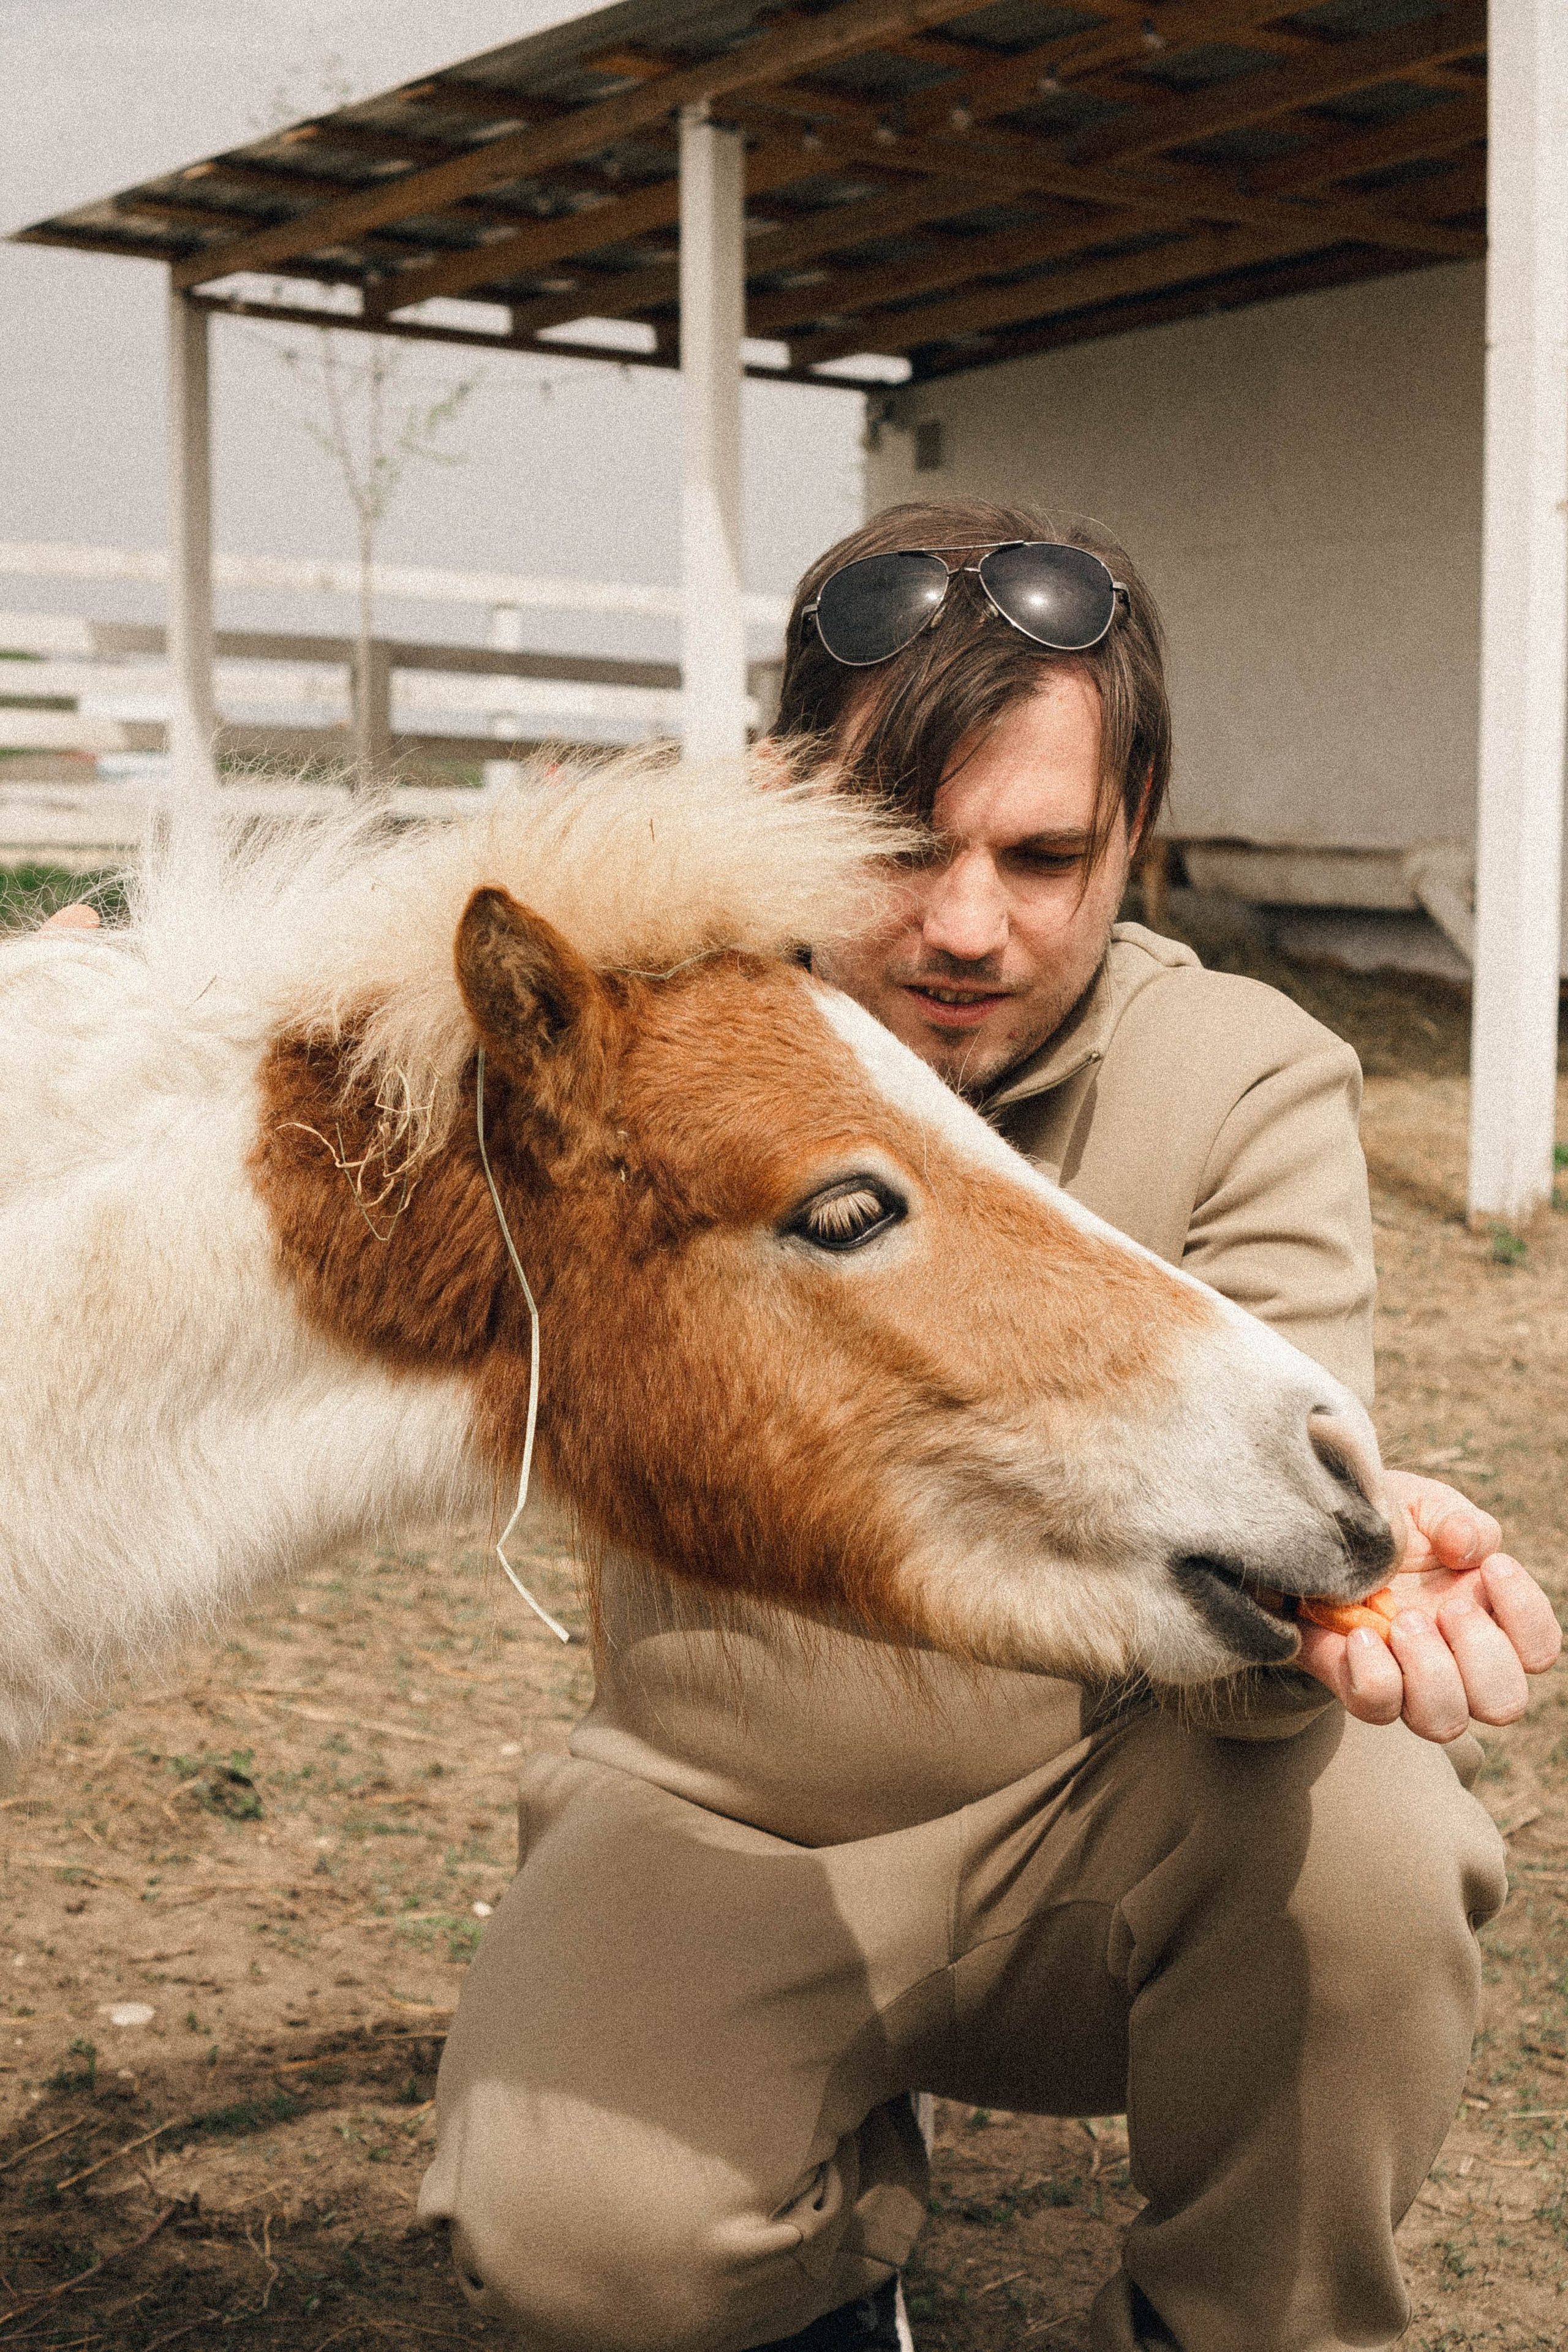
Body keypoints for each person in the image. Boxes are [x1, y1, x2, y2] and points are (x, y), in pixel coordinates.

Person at [50, 505, 1564, 2352]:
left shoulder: (1247, 1075)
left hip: (1086, 1821)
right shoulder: (668, 1047)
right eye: (906, 848)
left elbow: (1263, 1644)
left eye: (1043, 854)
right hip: (725, 1816)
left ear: (1134, 835)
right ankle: (817, 2288)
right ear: (793, 808)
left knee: (1376, 1843)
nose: (962, 926)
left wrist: (1363, 1592)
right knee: (568, 2236)